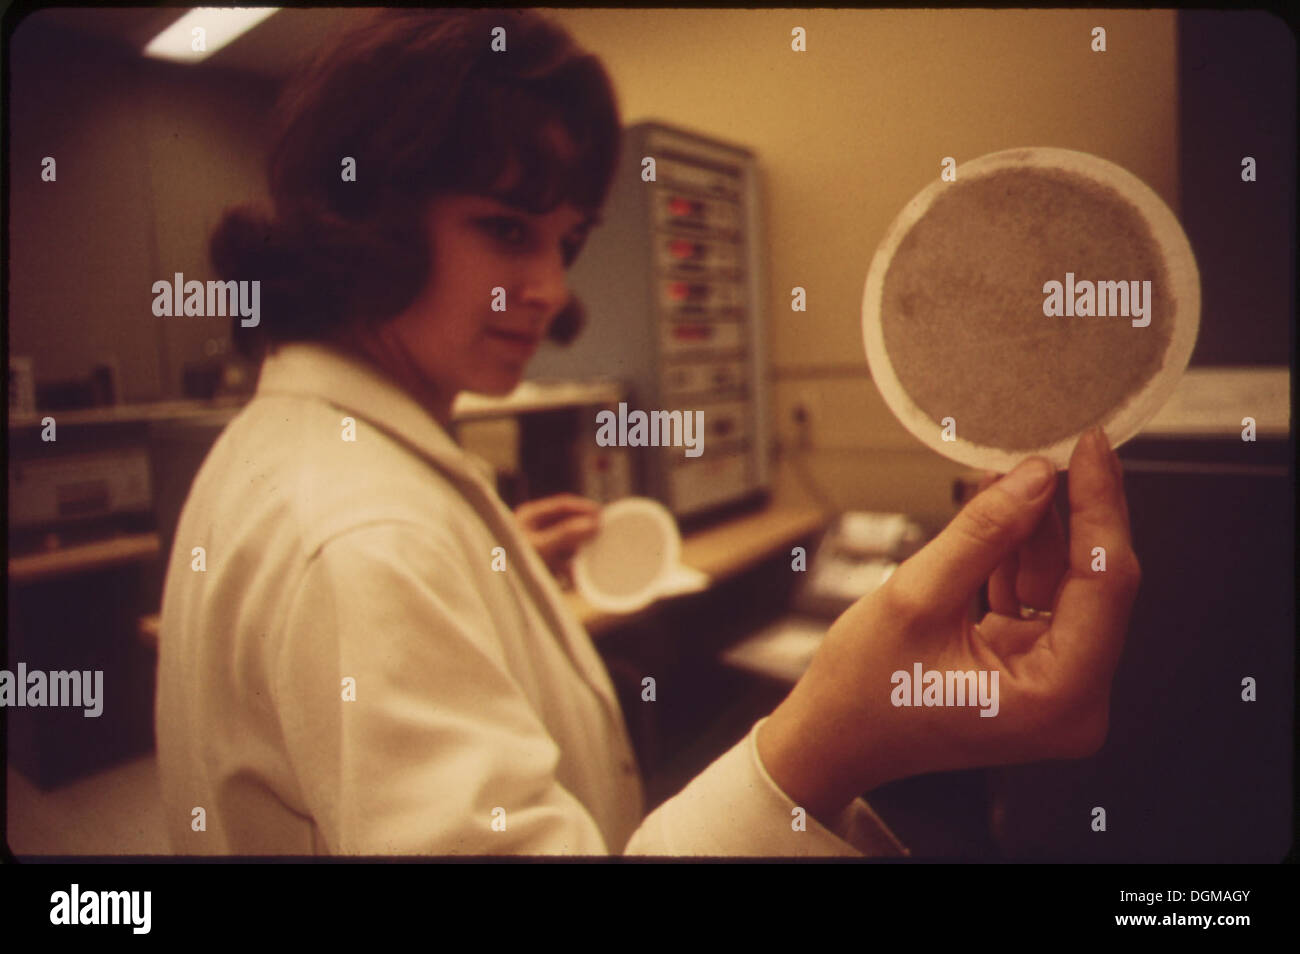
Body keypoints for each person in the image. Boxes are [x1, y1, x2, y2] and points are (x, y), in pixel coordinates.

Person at [155, 8, 1141, 856]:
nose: (548, 290)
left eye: (567, 243)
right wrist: (824, 744)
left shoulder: (296, 450)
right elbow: (365, 575)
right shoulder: (366, 538)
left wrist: (489, 578)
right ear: (363, 212)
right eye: (506, 229)